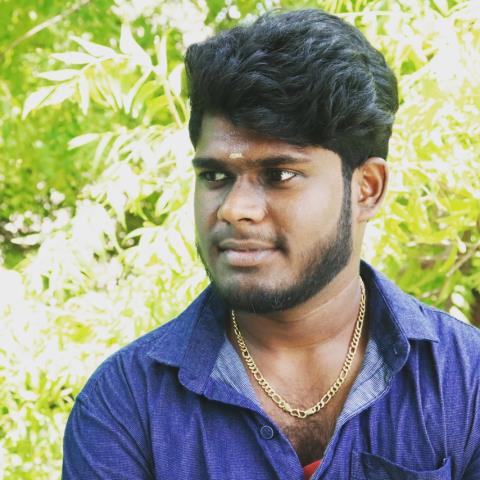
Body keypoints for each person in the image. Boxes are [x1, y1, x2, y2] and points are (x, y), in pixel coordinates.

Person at [62, 8, 480, 479]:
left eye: (279, 175)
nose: (234, 209)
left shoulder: (465, 382)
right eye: (215, 176)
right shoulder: (125, 405)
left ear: (367, 189)